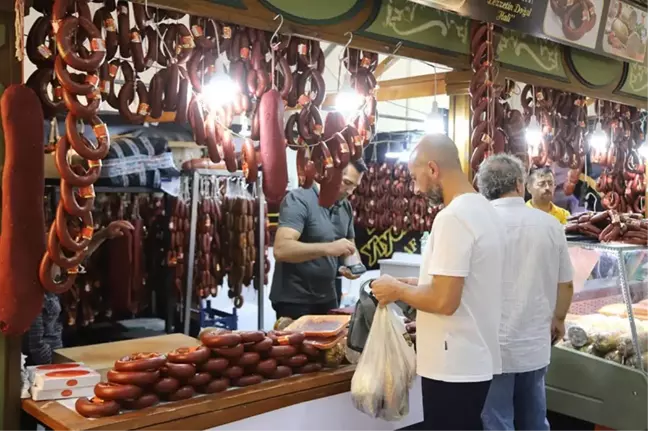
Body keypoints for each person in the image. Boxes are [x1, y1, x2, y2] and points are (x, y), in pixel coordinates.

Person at [370, 134, 506, 431]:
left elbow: (445, 300)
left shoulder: (453, 218)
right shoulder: (484, 211)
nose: (416, 188)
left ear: (433, 169)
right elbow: (460, 283)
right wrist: (411, 283)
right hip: (473, 358)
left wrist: (397, 290)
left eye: (414, 177)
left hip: (453, 365)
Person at [476, 155, 574, 431]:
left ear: (484, 188)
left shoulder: (476, 223)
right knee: (534, 419)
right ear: (520, 185)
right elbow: (565, 283)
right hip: (534, 341)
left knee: (497, 420)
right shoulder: (551, 225)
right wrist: (559, 319)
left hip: (491, 345)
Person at [24, 220, 134, 365]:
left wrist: (104, 234)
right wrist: (55, 367)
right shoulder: (34, 298)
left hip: (55, 357)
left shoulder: (51, 285)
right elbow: (35, 346)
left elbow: (79, 255)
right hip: (45, 366)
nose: (63, 265)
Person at [270, 159, 367, 320]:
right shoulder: (299, 199)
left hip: (328, 297)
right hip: (294, 300)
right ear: (331, 174)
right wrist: (328, 248)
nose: (350, 191)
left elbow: (350, 247)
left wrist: (353, 265)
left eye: (354, 186)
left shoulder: (344, 206)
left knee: (330, 344)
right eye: (346, 183)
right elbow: (281, 249)